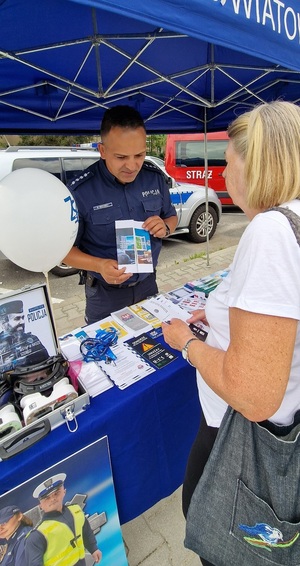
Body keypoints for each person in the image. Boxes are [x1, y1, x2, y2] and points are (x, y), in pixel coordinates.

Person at [161, 100, 300, 566]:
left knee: (215, 534)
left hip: (244, 439)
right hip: (280, 426)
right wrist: (225, 313)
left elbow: (254, 394)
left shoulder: (271, 232)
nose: (222, 173)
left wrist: (189, 344)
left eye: (227, 160)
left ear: (255, 163)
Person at [63, 105, 178, 324]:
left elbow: (171, 216)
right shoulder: (81, 191)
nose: (132, 165)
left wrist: (165, 227)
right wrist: (99, 266)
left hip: (148, 284)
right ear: (102, 150)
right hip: (105, 295)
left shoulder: (154, 178)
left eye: (139, 155)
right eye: (121, 157)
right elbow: (64, 252)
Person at [24, 473, 102, 566]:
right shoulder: (37, 535)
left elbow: (85, 531)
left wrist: (93, 549)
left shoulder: (76, 511)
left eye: (56, 493)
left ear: (64, 492)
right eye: (47, 498)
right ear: (40, 505)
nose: (53, 499)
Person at [0, 300, 49, 370]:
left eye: (23, 317)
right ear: (3, 323)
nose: (22, 322)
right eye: (17, 319)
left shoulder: (33, 339)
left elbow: (46, 362)